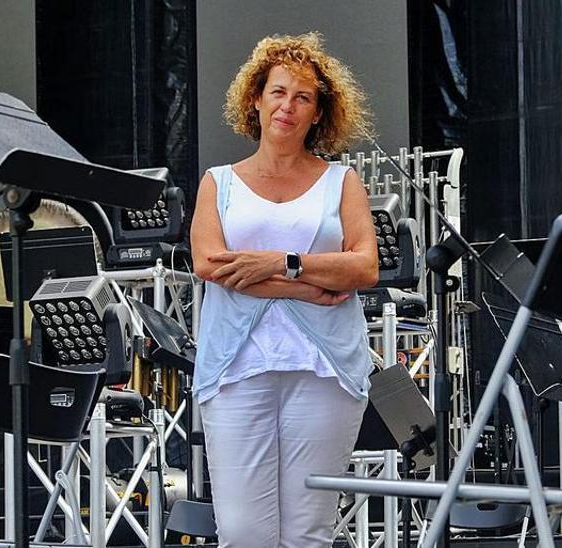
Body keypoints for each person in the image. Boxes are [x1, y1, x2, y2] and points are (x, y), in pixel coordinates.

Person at [189, 32, 379, 547]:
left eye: (303, 97)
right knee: (243, 532)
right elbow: (210, 265)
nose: (288, 106)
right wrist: (302, 288)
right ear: (255, 98)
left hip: (323, 368)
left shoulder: (341, 181)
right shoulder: (218, 182)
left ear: (319, 113)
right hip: (235, 367)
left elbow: (364, 267)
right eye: (278, 92)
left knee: (307, 532)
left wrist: (282, 262)